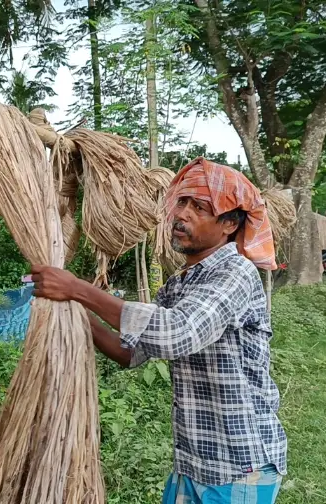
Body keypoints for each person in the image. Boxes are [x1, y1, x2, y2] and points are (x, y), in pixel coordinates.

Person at [30, 158, 287, 504]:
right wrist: (73, 308)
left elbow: (175, 334)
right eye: (181, 202)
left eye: (199, 207)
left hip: (239, 467)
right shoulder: (178, 286)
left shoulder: (235, 273)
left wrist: (77, 289)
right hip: (192, 463)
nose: (182, 215)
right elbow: (129, 352)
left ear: (228, 223)